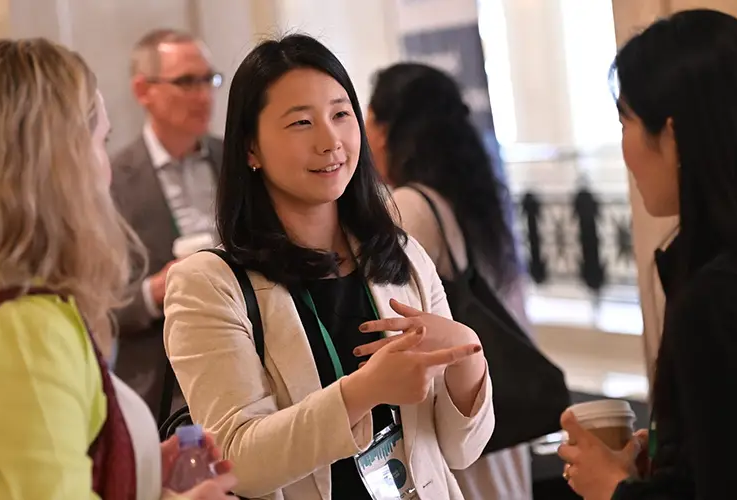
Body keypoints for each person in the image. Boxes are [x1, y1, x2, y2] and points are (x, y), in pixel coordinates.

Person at [0, 38, 238, 500]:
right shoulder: (24, 330)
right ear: (59, 164)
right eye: (99, 141)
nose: (106, 168)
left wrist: (140, 473)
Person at [163, 34, 495, 500]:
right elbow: (237, 461)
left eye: (341, 114)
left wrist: (469, 357)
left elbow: (461, 452)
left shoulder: (398, 255)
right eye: (301, 122)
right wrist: (363, 391)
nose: (331, 140)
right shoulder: (209, 284)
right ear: (250, 149)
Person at [556, 9, 737, 500]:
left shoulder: (719, 299)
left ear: (670, 136)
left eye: (625, 121)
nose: (624, 146)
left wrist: (612, 488)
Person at [367, 62, 532, 500]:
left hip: (460, 415)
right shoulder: (470, 198)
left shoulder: (409, 206)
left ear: (385, 131)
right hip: (491, 406)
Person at [110, 28, 228, 423]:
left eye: (209, 79)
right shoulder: (111, 181)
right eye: (186, 82)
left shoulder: (236, 160)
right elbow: (94, 305)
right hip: (161, 386)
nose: (204, 95)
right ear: (143, 91)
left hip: (244, 358)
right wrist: (154, 291)